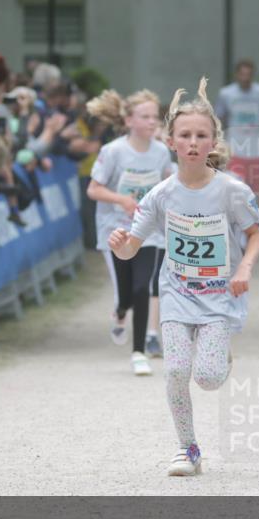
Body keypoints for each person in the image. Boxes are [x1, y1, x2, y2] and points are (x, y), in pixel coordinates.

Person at [108, 77, 259, 476]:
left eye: (201, 135)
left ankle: (221, 354)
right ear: (171, 142)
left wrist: (244, 267)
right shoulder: (160, 195)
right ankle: (187, 448)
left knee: (208, 378)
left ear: (213, 142)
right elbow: (131, 248)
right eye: (185, 135)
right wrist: (120, 245)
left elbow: (256, 234)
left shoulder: (231, 191)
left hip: (219, 296)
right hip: (176, 294)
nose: (193, 142)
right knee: (177, 370)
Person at [86, 89, 172, 374]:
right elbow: (93, 189)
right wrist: (122, 200)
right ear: (129, 120)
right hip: (115, 231)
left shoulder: (161, 152)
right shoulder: (113, 151)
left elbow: (167, 184)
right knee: (125, 294)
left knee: (142, 287)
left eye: (155, 117)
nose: (152, 122)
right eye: (144, 116)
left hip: (148, 232)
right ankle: (120, 311)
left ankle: (138, 352)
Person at [214, 59, 259, 240]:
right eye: (242, 74)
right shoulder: (226, 93)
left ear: (252, 75)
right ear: (236, 75)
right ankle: (240, 232)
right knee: (237, 191)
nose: (245, 78)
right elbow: (219, 119)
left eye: (248, 74)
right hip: (236, 149)